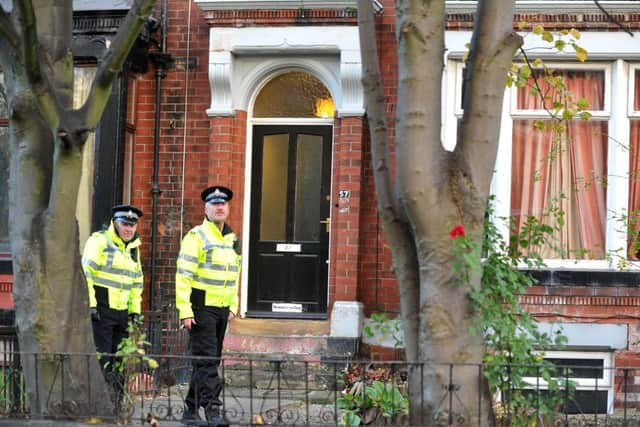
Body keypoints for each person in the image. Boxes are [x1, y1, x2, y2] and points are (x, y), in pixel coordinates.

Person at [176, 185, 240, 427]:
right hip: (201, 306)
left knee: (206, 359)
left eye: (223, 203)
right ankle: (213, 410)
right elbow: (183, 276)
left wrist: (233, 305)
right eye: (214, 204)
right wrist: (185, 310)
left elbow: (235, 275)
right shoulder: (196, 237)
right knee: (207, 361)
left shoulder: (233, 239)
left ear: (228, 207)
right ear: (206, 208)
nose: (219, 207)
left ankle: (189, 412)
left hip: (222, 307)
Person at [81, 204, 144, 408]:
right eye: (125, 224)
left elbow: (137, 282)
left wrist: (135, 310)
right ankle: (97, 404)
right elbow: (86, 274)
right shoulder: (99, 241)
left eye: (132, 225)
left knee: (120, 360)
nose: (129, 229)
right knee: (102, 359)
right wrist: (91, 305)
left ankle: (116, 403)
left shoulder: (134, 248)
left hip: (122, 313)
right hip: (102, 309)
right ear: (115, 223)